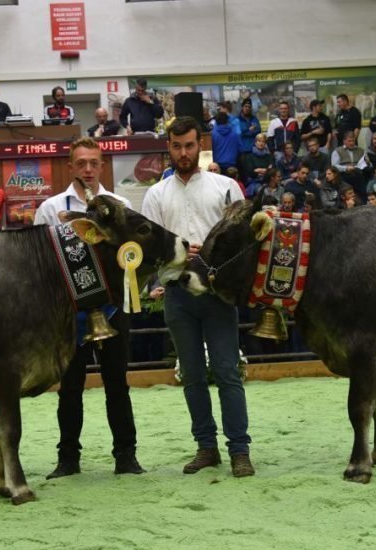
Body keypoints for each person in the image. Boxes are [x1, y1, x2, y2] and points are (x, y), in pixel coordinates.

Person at [141, 116, 254, 477]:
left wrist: (211, 255)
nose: (183, 152)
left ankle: (239, 450)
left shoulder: (227, 187)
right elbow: (149, 250)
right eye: (176, 146)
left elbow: (244, 242)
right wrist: (178, 254)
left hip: (218, 294)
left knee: (227, 371)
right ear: (168, 147)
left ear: (199, 144)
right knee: (190, 375)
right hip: (177, 295)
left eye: (189, 145)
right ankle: (206, 447)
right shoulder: (155, 195)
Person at [31, 136, 143, 478]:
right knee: (70, 388)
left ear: (102, 165)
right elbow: (39, 262)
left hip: (111, 309)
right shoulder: (51, 208)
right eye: (81, 164)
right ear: (70, 167)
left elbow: (132, 257)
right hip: (70, 317)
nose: (88, 170)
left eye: (94, 163)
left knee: (117, 385)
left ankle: (126, 457)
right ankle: (68, 459)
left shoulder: (122, 204)